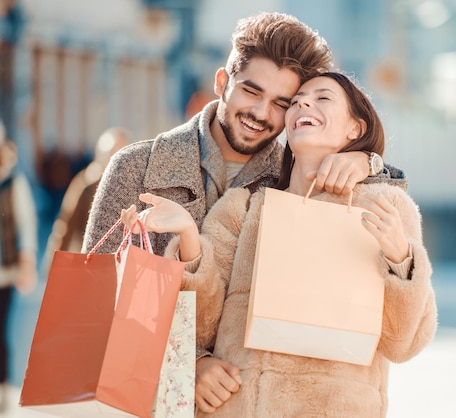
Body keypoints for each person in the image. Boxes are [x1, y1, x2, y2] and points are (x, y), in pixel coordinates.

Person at [82, 11, 406, 413]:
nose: (261, 114)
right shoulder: (137, 167)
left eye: (280, 103)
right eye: (252, 92)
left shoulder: (293, 176)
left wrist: (366, 163)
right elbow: (97, 297)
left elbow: (389, 200)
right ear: (222, 82)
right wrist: (186, 363)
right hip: (149, 401)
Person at [122, 71, 437, 417]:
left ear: (355, 128)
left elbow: (404, 343)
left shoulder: (383, 207)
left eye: (323, 98)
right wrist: (188, 238)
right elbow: (202, 323)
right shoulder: (243, 207)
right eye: (298, 99)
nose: (304, 102)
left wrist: (401, 259)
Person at [42, 127, 131, 270]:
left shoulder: (135, 185)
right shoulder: (86, 184)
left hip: (124, 264)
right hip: (90, 263)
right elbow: (66, 226)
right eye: (110, 154)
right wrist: (54, 265)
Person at [0, 122, 38, 413]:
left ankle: (2, 390)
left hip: (5, 274)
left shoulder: (13, 180)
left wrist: (27, 261)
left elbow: (26, 224)